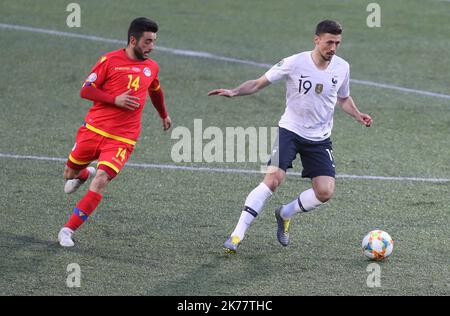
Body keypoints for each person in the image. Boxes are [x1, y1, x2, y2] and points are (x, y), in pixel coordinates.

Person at [208, 20, 372, 254]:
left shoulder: (342, 67)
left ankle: (285, 213)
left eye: (337, 43)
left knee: (325, 192)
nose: (333, 48)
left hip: (320, 138)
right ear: (316, 40)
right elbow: (257, 83)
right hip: (291, 131)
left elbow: (343, 98)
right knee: (273, 179)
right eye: (329, 42)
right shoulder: (295, 62)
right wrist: (234, 91)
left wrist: (358, 115)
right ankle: (236, 234)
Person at [58, 17, 172, 247]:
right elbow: (85, 90)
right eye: (147, 41)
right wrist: (115, 99)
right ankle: (82, 174)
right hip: (93, 130)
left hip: (122, 138)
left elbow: (155, 91)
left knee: (102, 180)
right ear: (133, 40)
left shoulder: (151, 67)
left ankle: (67, 230)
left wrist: (163, 114)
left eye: (154, 41)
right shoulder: (109, 61)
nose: (152, 47)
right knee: (68, 174)